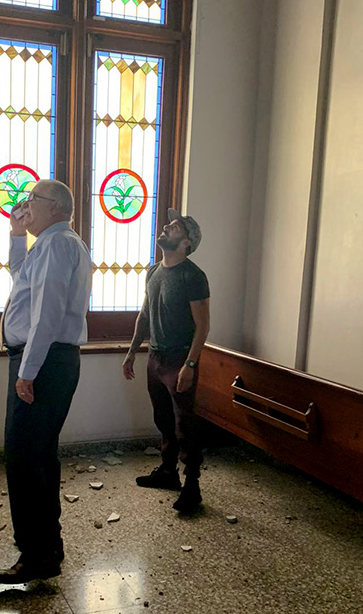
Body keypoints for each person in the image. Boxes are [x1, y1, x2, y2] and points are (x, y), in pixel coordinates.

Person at [0, 179, 92, 585]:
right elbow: (22, 282)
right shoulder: (52, 244)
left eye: (32, 199)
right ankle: (48, 547)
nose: (26, 206)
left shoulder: (56, 244)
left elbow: (46, 313)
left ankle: (36, 555)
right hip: (48, 360)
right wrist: (15, 235)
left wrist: (27, 372)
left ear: (57, 207)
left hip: (43, 362)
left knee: (24, 458)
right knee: (39, 457)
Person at [122, 208, 210, 513]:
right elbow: (145, 315)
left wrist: (191, 364)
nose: (166, 227)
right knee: (162, 419)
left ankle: (193, 486)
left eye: (174, 227)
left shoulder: (193, 276)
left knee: (184, 423)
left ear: (187, 243)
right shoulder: (153, 271)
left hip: (179, 359)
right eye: (169, 224)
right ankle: (168, 472)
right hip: (155, 357)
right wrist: (133, 351)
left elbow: (203, 325)